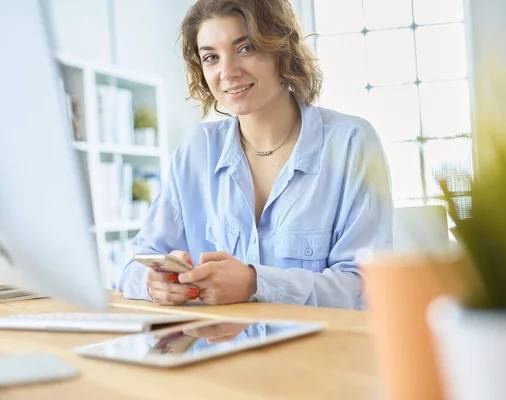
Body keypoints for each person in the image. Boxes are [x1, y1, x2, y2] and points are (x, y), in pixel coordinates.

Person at [116, 0, 393, 309]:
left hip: (318, 355)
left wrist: (255, 283)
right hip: (216, 354)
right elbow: (133, 268)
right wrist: (155, 284)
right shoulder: (197, 150)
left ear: (282, 50)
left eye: (245, 48)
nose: (227, 72)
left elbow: (365, 284)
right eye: (211, 57)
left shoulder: (351, 142)